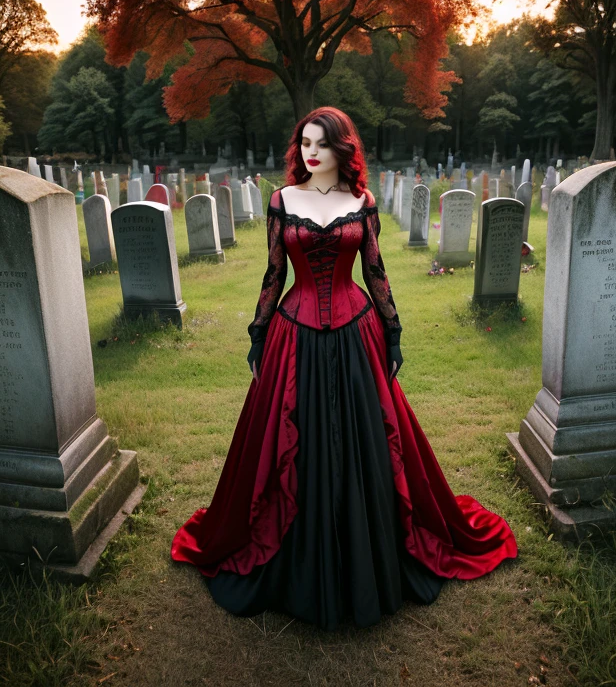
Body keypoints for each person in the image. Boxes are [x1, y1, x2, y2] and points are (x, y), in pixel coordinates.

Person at [172, 107, 517, 631]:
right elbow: (273, 272)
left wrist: (393, 329)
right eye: (304, 143)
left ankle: (370, 554)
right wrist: (260, 332)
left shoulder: (364, 202)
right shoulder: (282, 201)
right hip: (296, 337)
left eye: (322, 144)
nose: (310, 152)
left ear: (342, 149)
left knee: (372, 440)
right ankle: (294, 563)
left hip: (358, 332)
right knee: (289, 447)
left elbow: (374, 270)